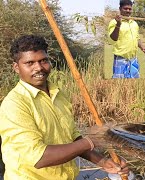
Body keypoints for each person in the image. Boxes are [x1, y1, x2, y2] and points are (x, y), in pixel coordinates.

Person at [0, 35, 129, 179]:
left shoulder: (58, 94)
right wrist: (91, 141)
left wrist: (104, 162)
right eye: (30, 63)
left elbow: (72, 138)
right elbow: (39, 157)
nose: (39, 68)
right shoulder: (15, 104)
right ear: (16, 67)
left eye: (43, 61)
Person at [108, 0, 145, 78]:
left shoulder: (134, 23)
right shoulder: (114, 22)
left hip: (133, 59)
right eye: (125, 8)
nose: (128, 11)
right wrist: (118, 24)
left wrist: (141, 46)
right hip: (120, 59)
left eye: (130, 9)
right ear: (120, 9)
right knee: (119, 83)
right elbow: (113, 38)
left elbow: (137, 38)